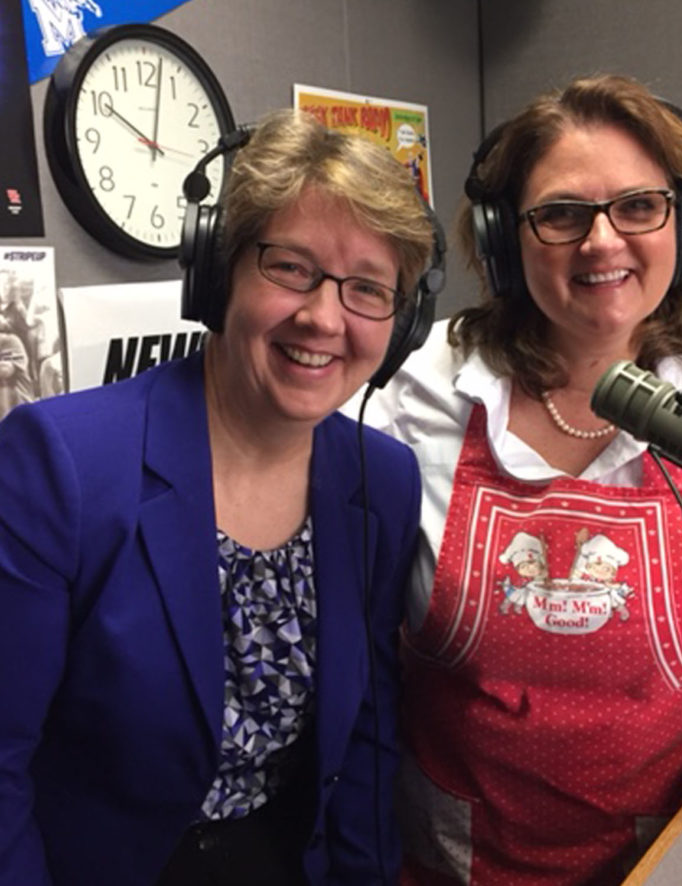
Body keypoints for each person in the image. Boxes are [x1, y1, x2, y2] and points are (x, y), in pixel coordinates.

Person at [356, 74, 682, 884]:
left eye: (639, 206)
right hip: (451, 864)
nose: (602, 242)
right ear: (505, 238)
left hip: (656, 858)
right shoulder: (422, 390)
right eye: (562, 214)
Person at [0, 109, 435, 886]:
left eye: (368, 288)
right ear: (216, 271)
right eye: (291, 267)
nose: (323, 317)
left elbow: (367, 736)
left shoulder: (382, 480)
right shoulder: (59, 462)